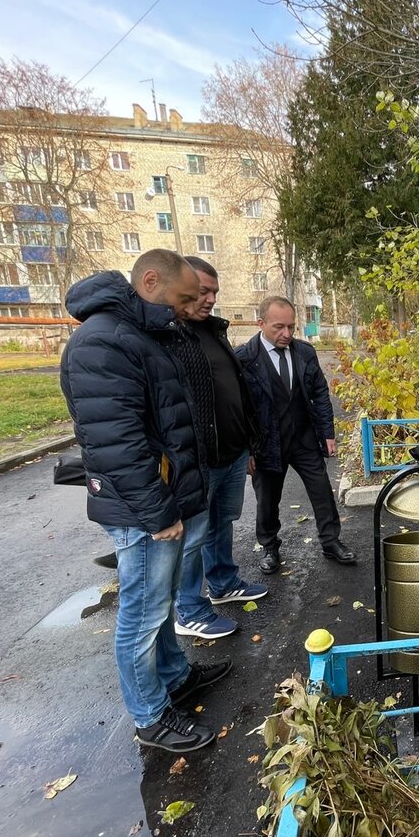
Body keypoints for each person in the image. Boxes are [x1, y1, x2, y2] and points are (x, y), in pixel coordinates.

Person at [60, 250, 229, 753]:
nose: (187, 307)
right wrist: (159, 513)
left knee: (160, 603)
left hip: (162, 499)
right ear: (150, 281)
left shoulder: (135, 333)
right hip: (144, 510)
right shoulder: (103, 342)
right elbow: (118, 442)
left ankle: (175, 676)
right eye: (182, 297)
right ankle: (150, 716)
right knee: (142, 611)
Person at [167, 256, 268, 641]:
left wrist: (249, 444)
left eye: (213, 292)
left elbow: (236, 393)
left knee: (220, 524)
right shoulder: (172, 336)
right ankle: (190, 609)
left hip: (232, 451)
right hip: (199, 459)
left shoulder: (213, 331)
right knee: (193, 535)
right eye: (202, 291)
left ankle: (223, 582)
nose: (209, 299)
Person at [236, 295, 356, 571]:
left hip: (303, 438)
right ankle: (269, 547)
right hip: (266, 444)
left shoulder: (304, 352)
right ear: (261, 323)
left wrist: (327, 432)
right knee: (267, 499)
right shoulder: (244, 358)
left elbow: (319, 393)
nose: (286, 334)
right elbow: (239, 408)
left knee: (322, 491)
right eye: (279, 327)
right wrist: (247, 450)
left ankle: (331, 541)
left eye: (291, 326)